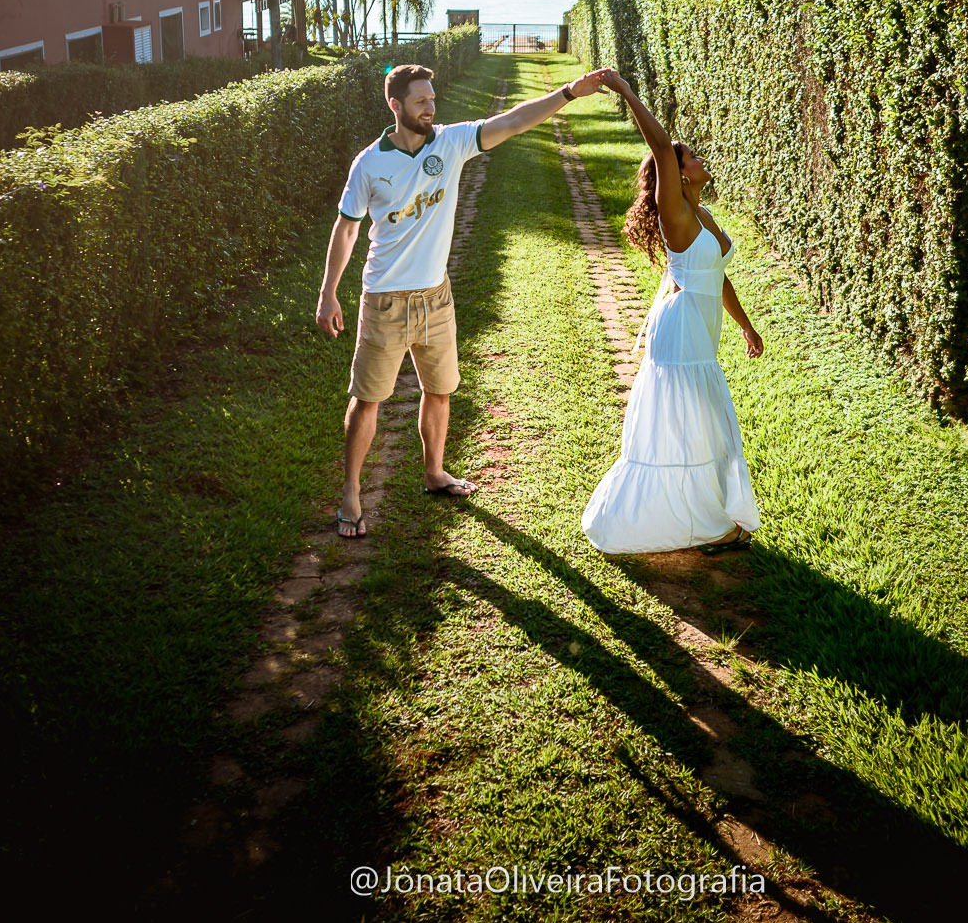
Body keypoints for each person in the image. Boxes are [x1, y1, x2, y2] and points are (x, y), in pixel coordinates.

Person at [317, 61, 611, 538]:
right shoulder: (369, 163)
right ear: (396, 106)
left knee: (441, 389)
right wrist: (329, 293)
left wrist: (568, 93)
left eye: (433, 100)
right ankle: (351, 491)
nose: (431, 108)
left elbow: (513, 121)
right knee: (367, 399)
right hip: (385, 300)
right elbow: (347, 229)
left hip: (436, 296)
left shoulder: (450, 142)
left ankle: (434, 471)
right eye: (420, 102)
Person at [581, 70, 763, 556]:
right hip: (681, 335)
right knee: (699, 426)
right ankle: (710, 525)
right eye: (691, 157)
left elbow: (716, 276)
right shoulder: (674, 210)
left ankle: (710, 520)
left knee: (703, 427)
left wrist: (746, 326)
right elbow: (661, 146)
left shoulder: (702, 214)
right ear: (677, 172)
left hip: (702, 331)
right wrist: (623, 90)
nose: (700, 158)